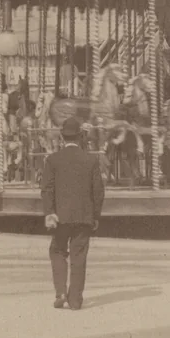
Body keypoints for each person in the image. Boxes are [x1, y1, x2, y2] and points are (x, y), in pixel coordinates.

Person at [42, 117, 105, 310]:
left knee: (57, 251)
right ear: (80, 137)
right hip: (84, 217)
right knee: (79, 256)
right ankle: (75, 299)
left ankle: (61, 292)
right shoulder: (91, 160)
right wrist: (95, 216)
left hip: (60, 216)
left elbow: (47, 189)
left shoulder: (52, 160)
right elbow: (98, 191)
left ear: (62, 137)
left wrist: (49, 212)